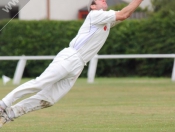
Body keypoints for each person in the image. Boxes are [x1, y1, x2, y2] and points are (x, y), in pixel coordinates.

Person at [0, 0, 143, 128]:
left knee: (49, 99)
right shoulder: (95, 15)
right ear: (93, 6)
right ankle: (3, 105)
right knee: (40, 83)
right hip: (71, 57)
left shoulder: (106, 20)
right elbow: (124, 14)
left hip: (79, 65)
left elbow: (125, 13)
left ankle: (8, 115)